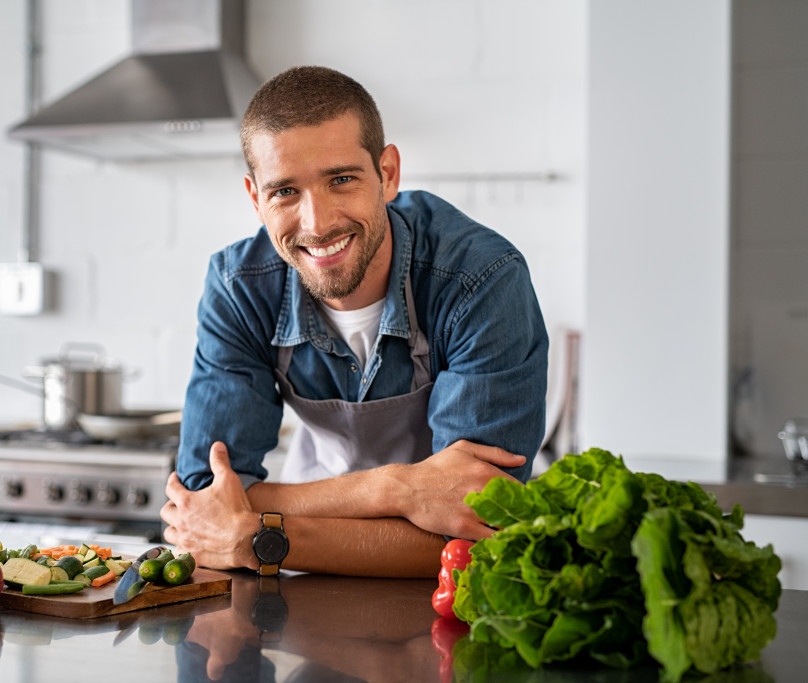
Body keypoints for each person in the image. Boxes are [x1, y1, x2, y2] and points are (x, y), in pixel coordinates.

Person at [161, 65, 548, 578]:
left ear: (387, 174)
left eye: (341, 179)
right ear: (256, 198)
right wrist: (398, 489)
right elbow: (207, 501)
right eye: (285, 192)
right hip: (302, 583)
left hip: (454, 596)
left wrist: (262, 537)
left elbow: (475, 527)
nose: (317, 224)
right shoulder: (241, 287)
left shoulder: (480, 279)